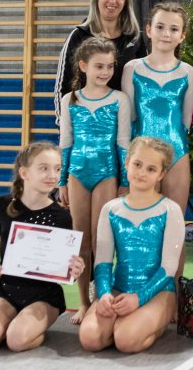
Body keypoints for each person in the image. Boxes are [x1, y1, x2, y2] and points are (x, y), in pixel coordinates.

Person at [0, 143, 84, 352]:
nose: (52, 175)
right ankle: (12, 323)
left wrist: (75, 270)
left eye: (57, 169)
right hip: (6, 289)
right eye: (44, 168)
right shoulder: (0, 206)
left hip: (43, 295)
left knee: (16, 340)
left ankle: (27, 329)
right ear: (24, 173)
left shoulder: (62, 217)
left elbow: (66, 269)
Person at [79, 137, 184, 354]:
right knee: (90, 338)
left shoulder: (170, 210)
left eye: (151, 169)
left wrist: (139, 298)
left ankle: (151, 324)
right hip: (119, 288)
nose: (142, 173)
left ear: (161, 174)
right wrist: (105, 294)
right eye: (137, 164)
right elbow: (103, 262)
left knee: (126, 340)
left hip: (158, 291)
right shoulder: (111, 209)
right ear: (127, 163)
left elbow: (168, 268)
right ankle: (122, 323)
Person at [58, 37, 131, 323]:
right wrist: (62, 181)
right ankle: (83, 301)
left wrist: (124, 181)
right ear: (83, 66)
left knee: (102, 238)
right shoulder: (70, 100)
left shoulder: (119, 99)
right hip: (77, 174)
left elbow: (123, 143)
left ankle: (102, 295)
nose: (105, 72)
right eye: (99, 66)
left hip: (107, 174)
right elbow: (66, 143)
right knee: (81, 239)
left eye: (110, 66)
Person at [121, 2, 193, 221]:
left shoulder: (189, 73)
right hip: (142, 153)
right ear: (148, 30)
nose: (166, 34)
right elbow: (130, 118)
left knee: (175, 222)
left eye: (174, 29)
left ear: (182, 36)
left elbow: (186, 121)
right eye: (160, 27)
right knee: (142, 221)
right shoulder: (132, 69)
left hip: (177, 152)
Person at [54, 0, 145, 126]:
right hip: (85, 126)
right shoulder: (79, 36)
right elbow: (62, 87)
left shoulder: (135, 39)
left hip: (123, 128)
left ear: (126, 1)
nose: (112, 1)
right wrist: (64, 128)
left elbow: (142, 88)